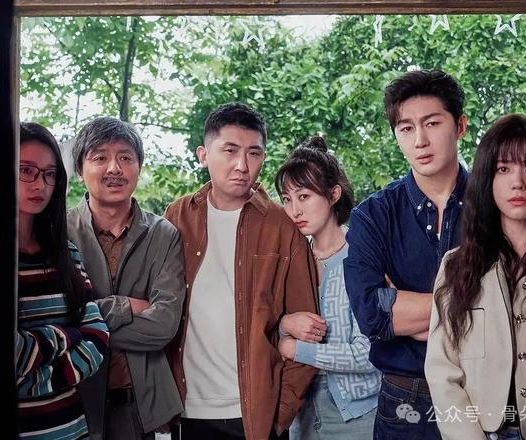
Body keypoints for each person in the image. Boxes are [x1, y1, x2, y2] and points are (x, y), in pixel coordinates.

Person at [425, 114, 526, 440]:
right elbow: (442, 369)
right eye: (503, 169)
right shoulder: (456, 266)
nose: (518, 182)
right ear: (487, 178)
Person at [164, 102, 319, 440]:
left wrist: (280, 413)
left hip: (255, 416)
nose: (242, 165)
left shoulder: (282, 226)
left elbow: (309, 329)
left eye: (254, 153)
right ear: (204, 155)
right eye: (230, 150)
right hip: (187, 409)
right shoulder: (177, 216)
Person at [343, 69, 468, 439]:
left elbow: (513, 308)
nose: (420, 140)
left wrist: (407, 308)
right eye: (406, 128)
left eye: (432, 123)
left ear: (460, 126)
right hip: (406, 400)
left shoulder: (496, 206)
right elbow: (371, 315)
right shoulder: (373, 216)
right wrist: (469, 308)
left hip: (485, 393)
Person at [67, 116, 186, 440]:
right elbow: (57, 320)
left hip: (136, 411)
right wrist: (126, 306)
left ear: (138, 167)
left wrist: (81, 329)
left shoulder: (163, 234)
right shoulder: (58, 233)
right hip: (71, 405)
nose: (114, 168)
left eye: (125, 157)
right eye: (100, 157)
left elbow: (164, 326)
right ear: (80, 170)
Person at [274, 136, 381, 440]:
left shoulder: (363, 257)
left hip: (359, 417)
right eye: (287, 199)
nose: (294, 210)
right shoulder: (289, 261)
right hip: (301, 412)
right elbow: (263, 327)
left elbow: (369, 354)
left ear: (333, 194)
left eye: (304, 196)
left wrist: (294, 348)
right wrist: (284, 324)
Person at [17, 122, 109, 439]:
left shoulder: (65, 253)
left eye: (50, 174)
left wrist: (32, 379)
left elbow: (97, 337)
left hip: (71, 428)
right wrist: (65, 334)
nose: (40, 184)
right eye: (26, 171)